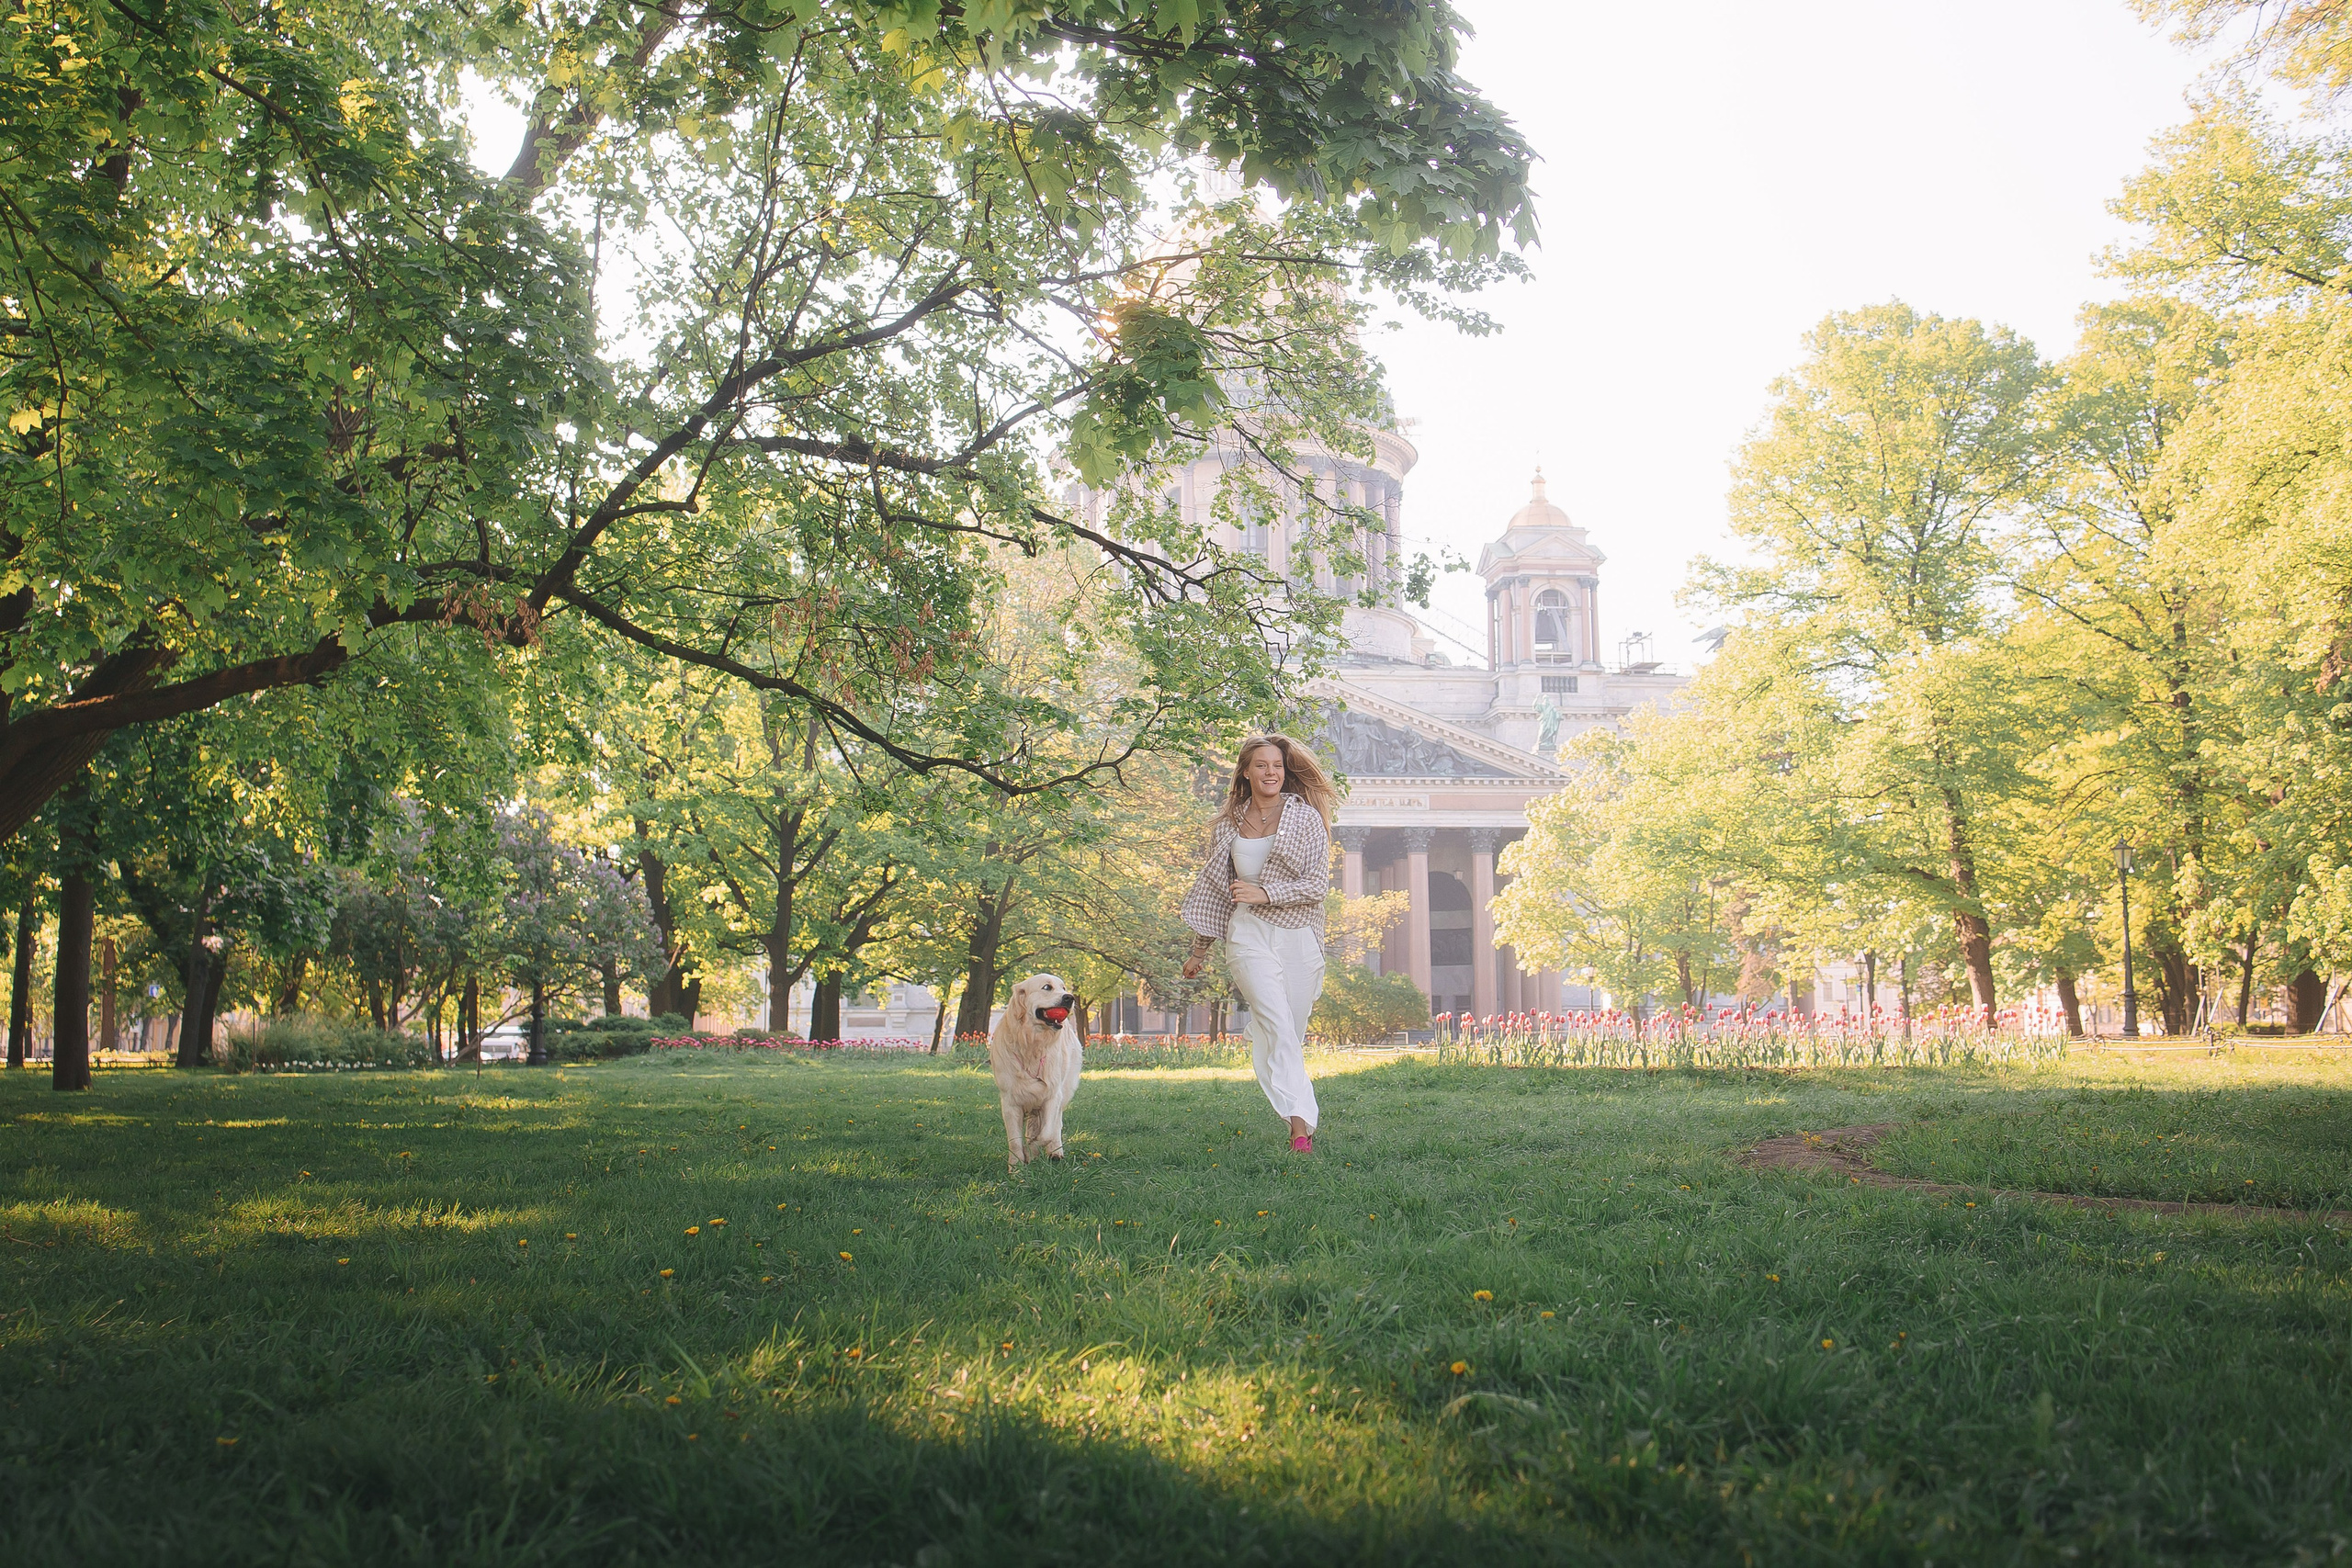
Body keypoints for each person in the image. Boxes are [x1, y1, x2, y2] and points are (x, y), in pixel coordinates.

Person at [1180, 733, 1338, 1152]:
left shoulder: (1306, 818)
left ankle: (1293, 1107)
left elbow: (1317, 886)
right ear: (1246, 772)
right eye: (1262, 766)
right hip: (1247, 935)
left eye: (1278, 766)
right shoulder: (1228, 824)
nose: (1271, 773)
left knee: (1289, 1030)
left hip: (1297, 934)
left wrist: (1267, 893)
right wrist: (1199, 950)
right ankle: (1300, 1128)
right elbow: (1216, 890)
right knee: (1279, 1024)